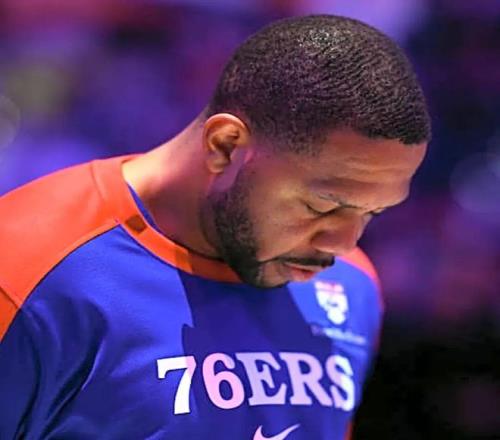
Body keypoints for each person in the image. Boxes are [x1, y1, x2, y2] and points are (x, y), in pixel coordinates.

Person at [0, 15, 430, 440]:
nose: (343, 244)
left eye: (373, 212)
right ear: (225, 146)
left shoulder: (353, 286)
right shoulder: (28, 272)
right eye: (323, 206)